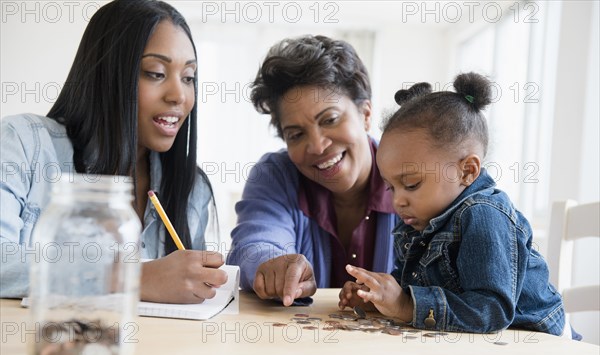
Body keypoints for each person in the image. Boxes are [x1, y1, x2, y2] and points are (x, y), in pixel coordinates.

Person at [0, 0, 227, 303]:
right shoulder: (23, 143)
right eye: (156, 73)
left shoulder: (191, 187)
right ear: (107, 75)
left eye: (188, 77)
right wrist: (129, 277)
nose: (179, 96)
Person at [339, 72, 567, 336]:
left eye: (411, 184)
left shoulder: (484, 215)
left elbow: (491, 311)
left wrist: (405, 305)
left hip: (536, 338)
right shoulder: (420, 217)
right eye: (391, 187)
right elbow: (409, 287)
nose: (397, 200)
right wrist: (377, 297)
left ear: (467, 171)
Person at [227, 35, 398, 306]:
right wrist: (273, 264)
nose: (317, 146)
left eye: (329, 119)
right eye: (296, 134)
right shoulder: (275, 174)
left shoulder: (414, 175)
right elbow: (252, 246)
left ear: (365, 114)